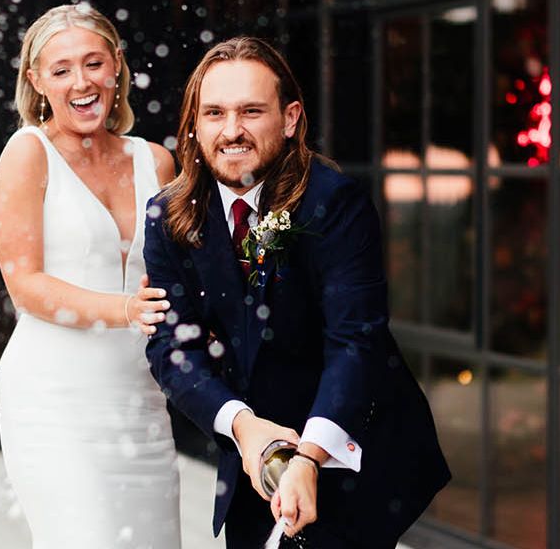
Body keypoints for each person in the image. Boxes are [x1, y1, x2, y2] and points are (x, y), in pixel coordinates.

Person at [144, 36, 450, 549]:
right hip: (251, 456)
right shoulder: (170, 217)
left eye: (251, 111)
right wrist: (243, 427)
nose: (231, 130)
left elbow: (355, 340)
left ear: (289, 119)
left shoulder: (334, 203)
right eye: (214, 113)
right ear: (194, 124)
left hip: (350, 443)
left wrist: (308, 456)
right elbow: (173, 349)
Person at [0, 3, 182, 549]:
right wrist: (124, 309)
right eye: (62, 70)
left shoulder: (156, 162)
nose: (82, 82)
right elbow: (25, 285)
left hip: (139, 399)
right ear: (36, 81)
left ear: (117, 64)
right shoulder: (28, 153)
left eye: (94, 63)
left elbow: (178, 276)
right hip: (53, 397)